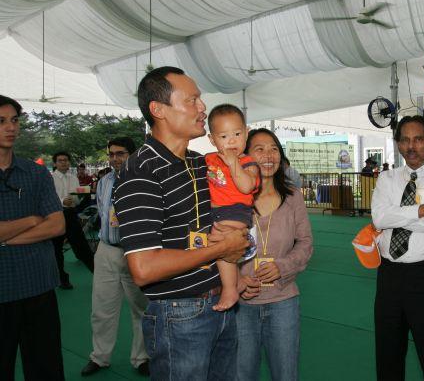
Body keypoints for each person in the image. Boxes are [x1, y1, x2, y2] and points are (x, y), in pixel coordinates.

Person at [113, 66, 249, 380]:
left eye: (200, 100)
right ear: (158, 110)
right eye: (192, 100)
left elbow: (227, 220)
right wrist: (223, 249)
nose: (203, 108)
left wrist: (237, 266)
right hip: (179, 315)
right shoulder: (140, 171)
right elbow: (144, 268)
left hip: (221, 303)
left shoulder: (200, 163)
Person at [371, 115, 424, 381]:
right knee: (388, 354)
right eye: (404, 140)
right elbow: (379, 218)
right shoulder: (387, 179)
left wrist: (397, 215)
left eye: (418, 139)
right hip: (388, 275)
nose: (411, 146)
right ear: (398, 144)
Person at [236, 128, 314, 381]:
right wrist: (237, 280)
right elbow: (217, 248)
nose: (268, 155)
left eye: (274, 149)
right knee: (241, 374)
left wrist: (283, 266)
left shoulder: (293, 197)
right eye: (259, 149)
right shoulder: (232, 200)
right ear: (245, 155)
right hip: (241, 304)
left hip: (284, 301)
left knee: (286, 374)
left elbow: (305, 244)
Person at [0, 95, 66, 380]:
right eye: (1, 122)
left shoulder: (36, 173)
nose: (10, 127)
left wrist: (4, 236)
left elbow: (57, 225)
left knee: (46, 368)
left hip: (38, 286)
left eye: (14, 120)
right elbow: (43, 222)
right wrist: (30, 220)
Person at [81, 136, 150, 377]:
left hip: (136, 253)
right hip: (107, 249)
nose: (114, 159)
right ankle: (99, 357)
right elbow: (102, 212)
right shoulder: (104, 182)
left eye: (120, 153)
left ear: (132, 154)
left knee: (141, 308)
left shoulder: (145, 180)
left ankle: (141, 358)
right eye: (111, 154)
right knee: (101, 308)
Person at [205, 104, 260, 311]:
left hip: (235, 209)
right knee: (216, 245)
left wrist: (233, 163)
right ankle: (238, 280)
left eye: (237, 134)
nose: (232, 141)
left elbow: (246, 186)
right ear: (212, 139)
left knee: (224, 244)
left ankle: (229, 289)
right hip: (214, 211)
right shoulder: (209, 159)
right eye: (224, 136)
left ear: (246, 133)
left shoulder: (247, 162)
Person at [51, 151, 95, 289]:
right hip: (56, 216)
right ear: (55, 163)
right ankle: (62, 279)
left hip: (71, 214)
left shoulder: (73, 178)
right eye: (60, 160)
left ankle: (100, 276)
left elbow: (76, 197)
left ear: (69, 162)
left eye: (66, 160)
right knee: (56, 250)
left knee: (82, 247)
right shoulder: (50, 178)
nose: (63, 162)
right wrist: (63, 200)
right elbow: (49, 198)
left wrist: (75, 199)